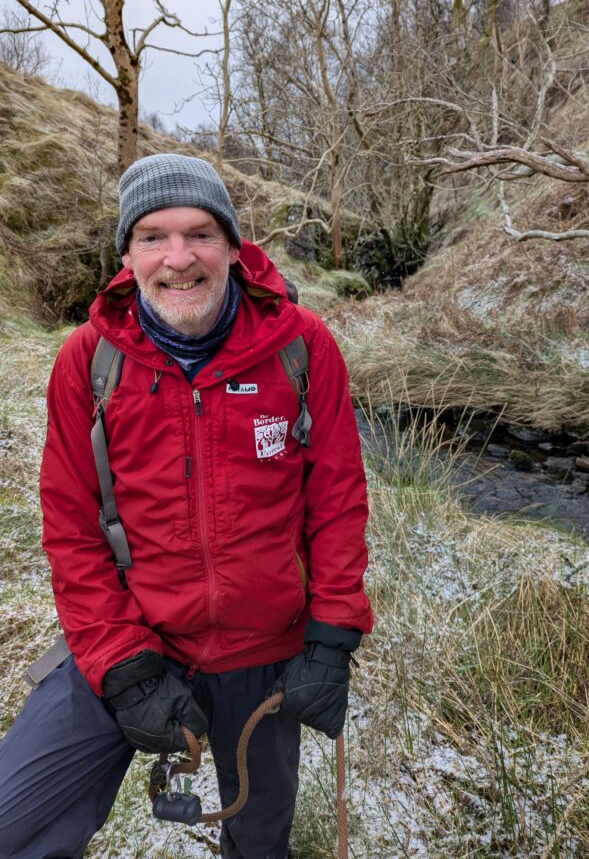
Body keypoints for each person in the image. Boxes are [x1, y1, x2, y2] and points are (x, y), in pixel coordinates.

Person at [0, 153, 373, 859]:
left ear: (233, 246)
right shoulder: (87, 361)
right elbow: (71, 529)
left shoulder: (302, 348)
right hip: (127, 640)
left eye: (200, 233)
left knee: (261, 843)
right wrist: (123, 665)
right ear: (127, 254)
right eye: (153, 237)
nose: (179, 259)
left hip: (263, 650)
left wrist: (330, 637)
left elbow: (337, 503)